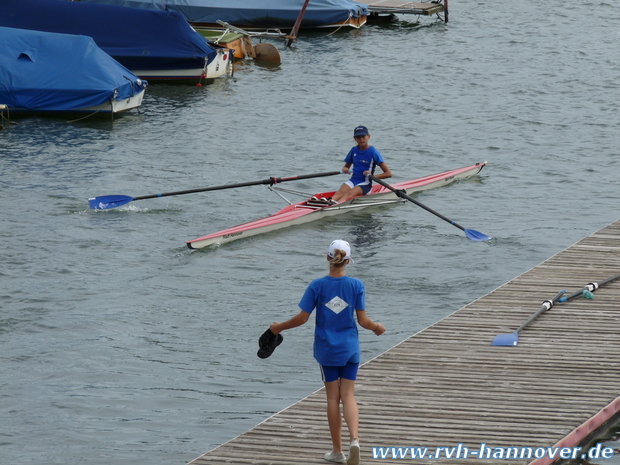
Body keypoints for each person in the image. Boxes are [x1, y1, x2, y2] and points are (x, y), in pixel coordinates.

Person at [270, 240, 386, 465]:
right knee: (349, 395)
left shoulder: (317, 285)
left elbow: (302, 318)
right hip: (350, 348)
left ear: (327, 258)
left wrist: (278, 327)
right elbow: (362, 321)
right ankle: (355, 440)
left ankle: (337, 451)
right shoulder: (356, 285)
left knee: (333, 398)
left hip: (327, 349)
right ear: (348, 261)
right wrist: (376, 327)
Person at [330, 126, 392, 203]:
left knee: (349, 193)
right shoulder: (354, 150)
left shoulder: (374, 153)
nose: (361, 139)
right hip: (353, 180)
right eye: (358, 137)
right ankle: (329, 202)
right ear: (355, 139)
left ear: (368, 137)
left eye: (363, 136)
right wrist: (345, 168)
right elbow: (347, 166)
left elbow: (388, 174)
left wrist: (373, 176)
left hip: (365, 184)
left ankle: (333, 206)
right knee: (340, 192)